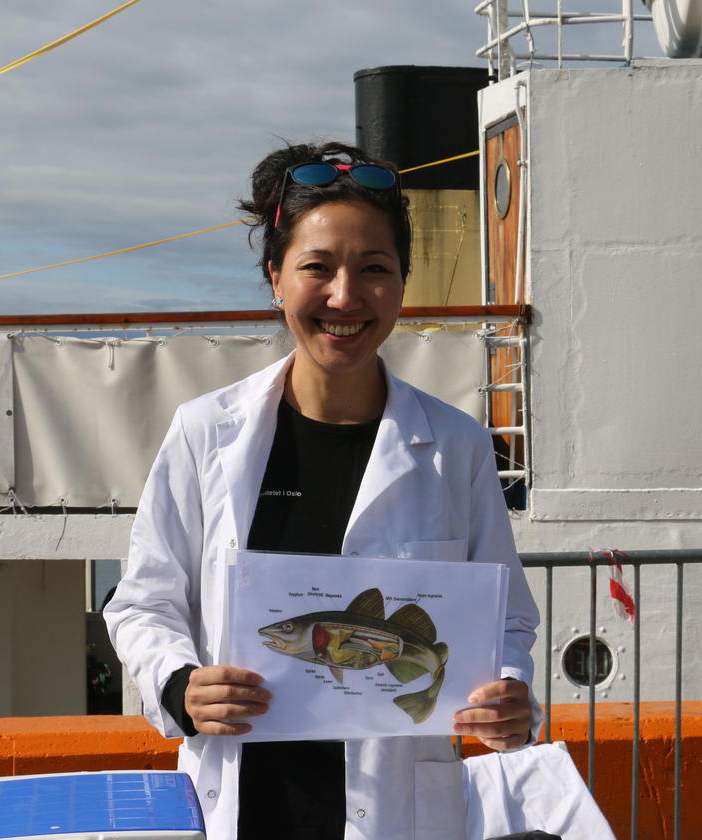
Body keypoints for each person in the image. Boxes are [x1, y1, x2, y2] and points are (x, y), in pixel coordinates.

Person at [104, 141, 542, 840]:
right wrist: (178, 686)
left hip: (399, 813)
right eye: (318, 268)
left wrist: (513, 695)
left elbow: (506, 618)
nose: (345, 296)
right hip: (245, 810)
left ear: (401, 285)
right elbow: (143, 603)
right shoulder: (205, 434)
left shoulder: (454, 447)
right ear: (277, 277)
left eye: (374, 269)